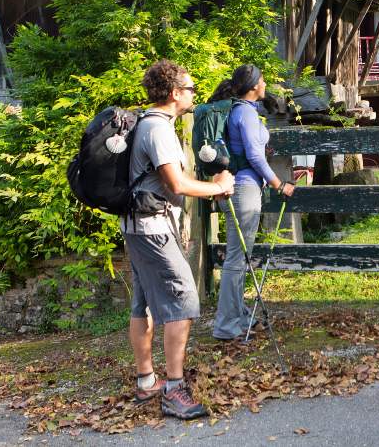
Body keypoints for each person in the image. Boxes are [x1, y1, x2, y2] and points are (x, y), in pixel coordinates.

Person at [125, 60, 235, 420]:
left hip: (138, 227)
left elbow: (171, 182)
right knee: (183, 300)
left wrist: (206, 191)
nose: (193, 94)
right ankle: (174, 389)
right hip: (153, 231)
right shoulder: (158, 130)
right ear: (174, 93)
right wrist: (217, 187)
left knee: (142, 303)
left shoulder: (146, 123)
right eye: (189, 89)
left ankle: (147, 382)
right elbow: (176, 184)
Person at [212, 64, 295, 341]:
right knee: (237, 258)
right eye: (262, 79)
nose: (265, 82)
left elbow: (252, 151)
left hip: (241, 187)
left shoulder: (243, 111)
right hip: (244, 190)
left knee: (240, 256)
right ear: (253, 86)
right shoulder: (245, 113)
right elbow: (255, 158)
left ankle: (238, 315)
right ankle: (226, 325)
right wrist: (278, 184)